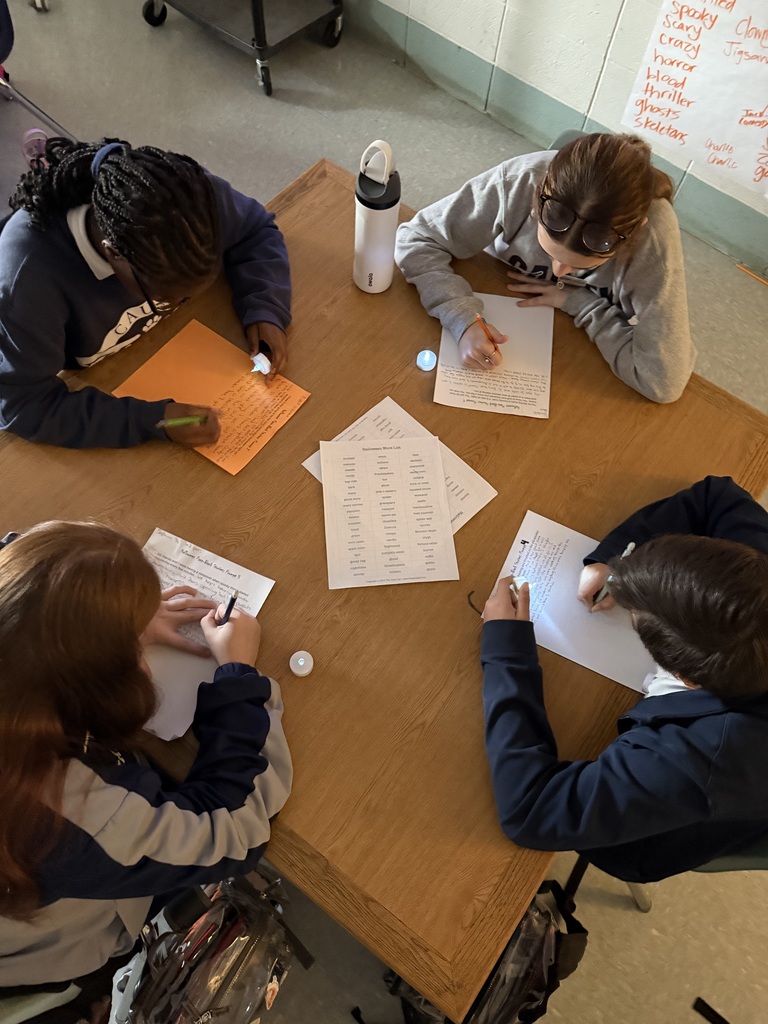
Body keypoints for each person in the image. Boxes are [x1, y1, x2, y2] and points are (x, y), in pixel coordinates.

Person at [0, 521, 292, 1013]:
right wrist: (238, 676)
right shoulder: (76, 813)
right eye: (132, 647)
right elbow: (235, 826)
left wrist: (103, 614)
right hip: (50, 953)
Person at [480, 476, 768, 883]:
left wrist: (506, 651)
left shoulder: (702, 757)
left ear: (683, 677)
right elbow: (717, 496)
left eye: (636, 619)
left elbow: (531, 812)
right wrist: (616, 560)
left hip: (650, 834)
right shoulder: (755, 579)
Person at [0, 136, 292, 448]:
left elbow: (255, 231)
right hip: (99, 376)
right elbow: (22, 404)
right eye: (166, 297)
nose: (177, 304)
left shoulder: (186, 201)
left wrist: (265, 305)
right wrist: (151, 419)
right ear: (113, 255)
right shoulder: (27, 280)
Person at [395, 132, 695, 404]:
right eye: (549, 252)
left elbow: (662, 382)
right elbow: (415, 238)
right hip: (494, 280)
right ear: (537, 196)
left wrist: (578, 302)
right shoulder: (518, 180)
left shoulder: (654, 239)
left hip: (570, 342)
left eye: (578, 266)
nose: (560, 272)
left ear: (634, 234)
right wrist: (463, 319)